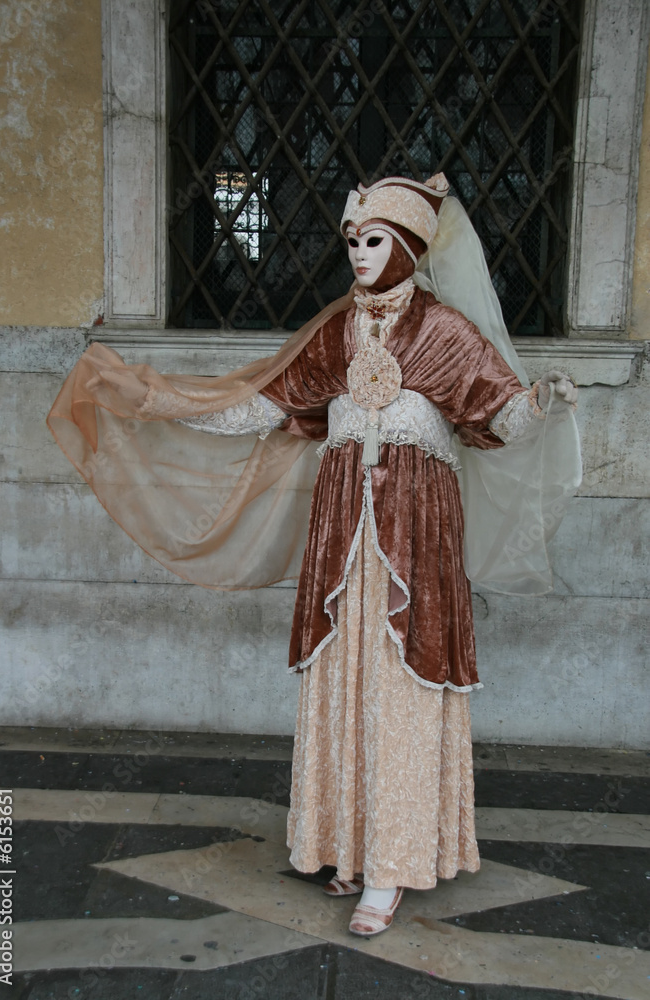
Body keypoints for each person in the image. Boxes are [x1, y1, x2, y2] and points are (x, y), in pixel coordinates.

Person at [48, 174, 580, 937]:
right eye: (354, 242)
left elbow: (498, 416)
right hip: (341, 539)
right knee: (341, 680)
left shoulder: (447, 332)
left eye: (375, 241)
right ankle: (345, 848)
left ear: (408, 248)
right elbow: (257, 409)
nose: (359, 256)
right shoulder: (333, 333)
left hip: (415, 540)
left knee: (402, 682)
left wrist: (541, 403)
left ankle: (393, 864)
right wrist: (158, 401)